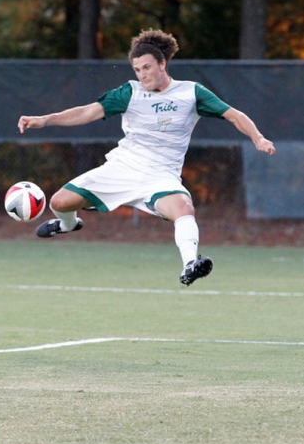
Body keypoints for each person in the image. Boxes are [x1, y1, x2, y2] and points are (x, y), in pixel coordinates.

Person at [17, 29, 275, 286]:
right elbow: (87, 112)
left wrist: (258, 138)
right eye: (137, 70)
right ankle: (67, 225)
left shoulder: (191, 93)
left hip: (160, 177)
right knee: (59, 203)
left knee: (184, 209)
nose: (142, 75)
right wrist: (45, 120)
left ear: (162, 63)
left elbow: (234, 115)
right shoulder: (130, 92)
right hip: (122, 169)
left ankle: (189, 265)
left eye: (147, 68)